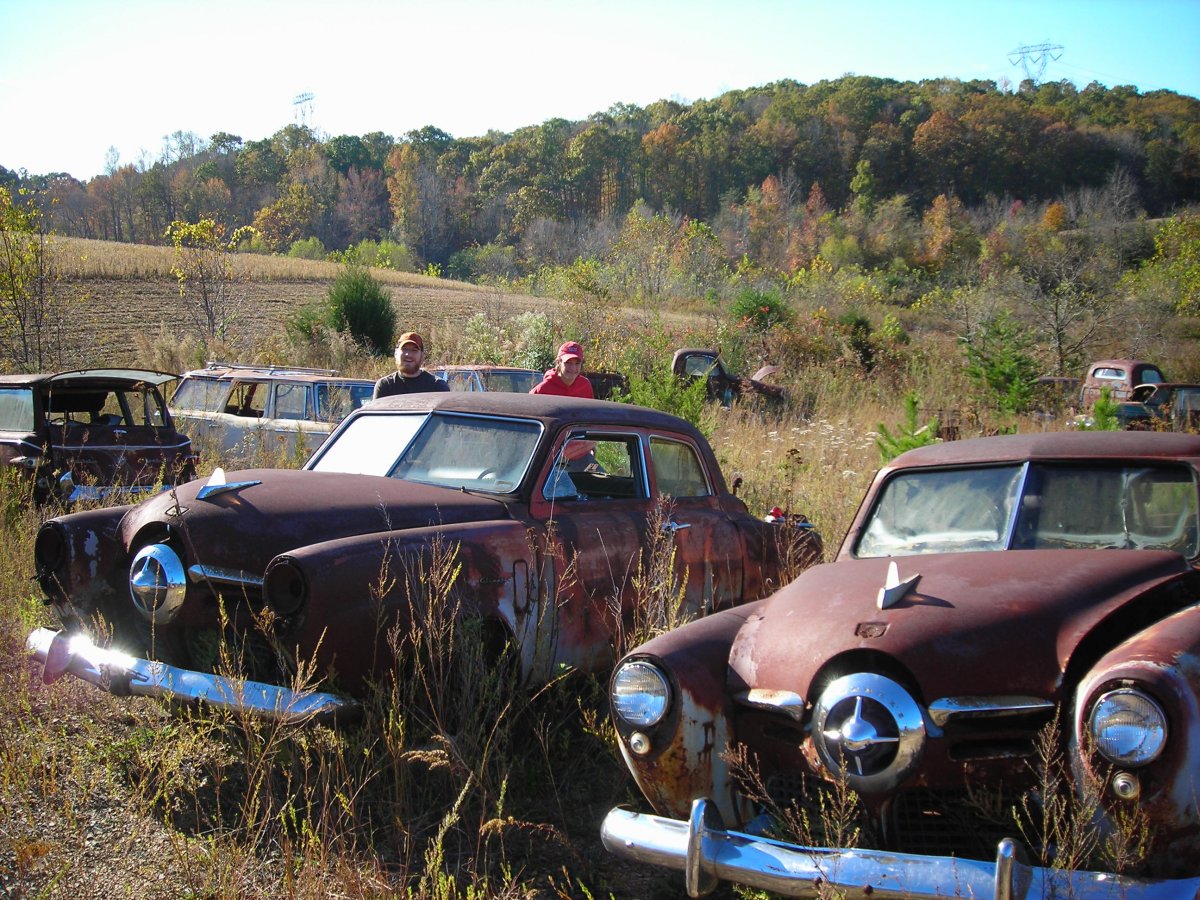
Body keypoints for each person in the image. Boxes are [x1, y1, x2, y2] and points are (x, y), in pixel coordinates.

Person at [373, 332, 450, 398]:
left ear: (422, 356)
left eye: (414, 350)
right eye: (404, 349)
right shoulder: (385, 386)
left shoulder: (437, 387)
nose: (408, 354)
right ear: (396, 354)